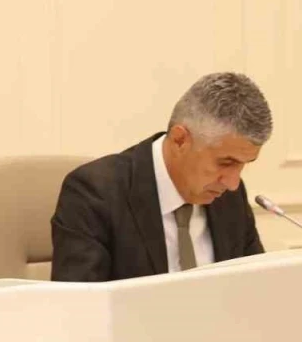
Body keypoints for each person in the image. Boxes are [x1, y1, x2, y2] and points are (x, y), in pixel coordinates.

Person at [50, 72, 272, 282]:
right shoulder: (94, 194)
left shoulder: (230, 198)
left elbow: (255, 289)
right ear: (180, 140)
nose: (232, 183)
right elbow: (80, 304)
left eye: (244, 165)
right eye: (226, 162)